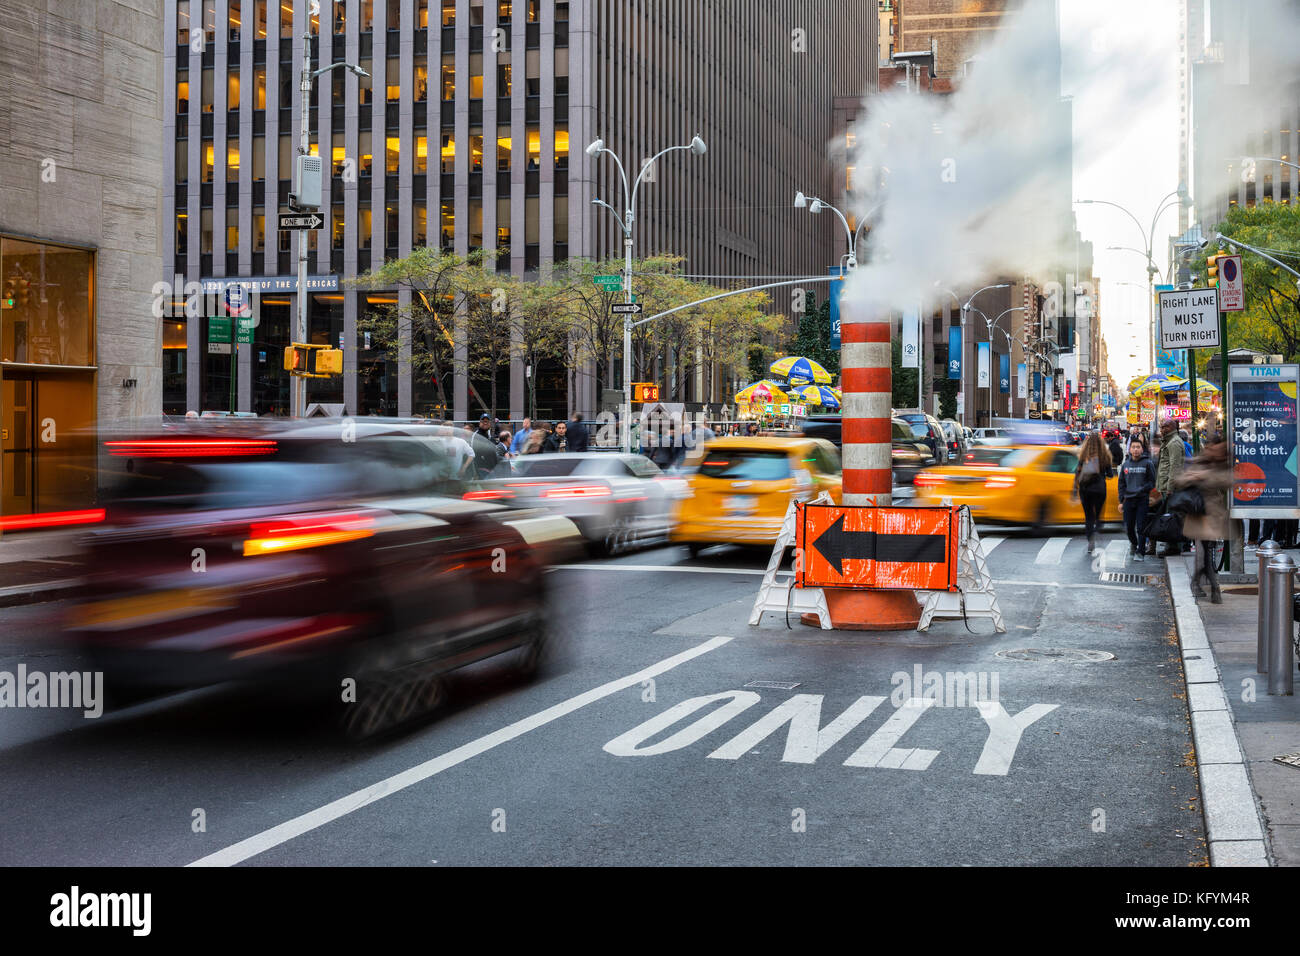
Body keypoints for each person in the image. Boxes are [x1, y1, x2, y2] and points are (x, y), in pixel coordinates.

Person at [1175, 440, 1231, 603]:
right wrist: (1193, 477)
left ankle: (1198, 581)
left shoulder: (1222, 465)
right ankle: (1213, 587)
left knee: (1206, 551)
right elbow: (1180, 481)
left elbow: (1228, 481)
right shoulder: (1199, 461)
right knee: (1205, 551)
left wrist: (1206, 477)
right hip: (1198, 514)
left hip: (1213, 515)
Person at [1073, 432, 1114, 554]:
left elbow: (1077, 473)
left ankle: (1090, 540)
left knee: (1088, 516)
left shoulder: (1083, 455)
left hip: (1085, 489)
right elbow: (1110, 475)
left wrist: (1075, 490)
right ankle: (1098, 527)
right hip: (1100, 489)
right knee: (1098, 515)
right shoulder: (1105, 456)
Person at [1118, 437, 1157, 561]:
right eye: (1133, 447)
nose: (1135, 450)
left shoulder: (1147, 463)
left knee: (1141, 527)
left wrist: (1143, 489)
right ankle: (1134, 543)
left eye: (1138, 447)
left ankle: (1140, 551)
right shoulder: (1126, 464)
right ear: (1129, 449)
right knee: (1129, 527)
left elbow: (1152, 482)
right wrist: (1121, 500)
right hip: (1128, 500)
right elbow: (1121, 483)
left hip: (1142, 500)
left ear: (1142, 449)